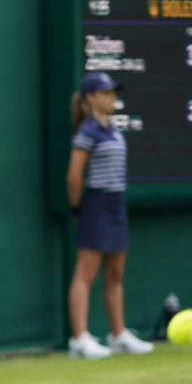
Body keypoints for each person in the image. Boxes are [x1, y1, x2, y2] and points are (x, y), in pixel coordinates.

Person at [65, 73, 153, 360]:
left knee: (115, 275)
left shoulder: (114, 130)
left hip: (116, 204)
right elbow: (73, 177)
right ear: (90, 98)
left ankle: (118, 335)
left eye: (113, 93)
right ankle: (79, 339)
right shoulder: (86, 132)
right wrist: (78, 209)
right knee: (85, 274)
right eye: (105, 93)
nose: (112, 97)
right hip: (95, 204)